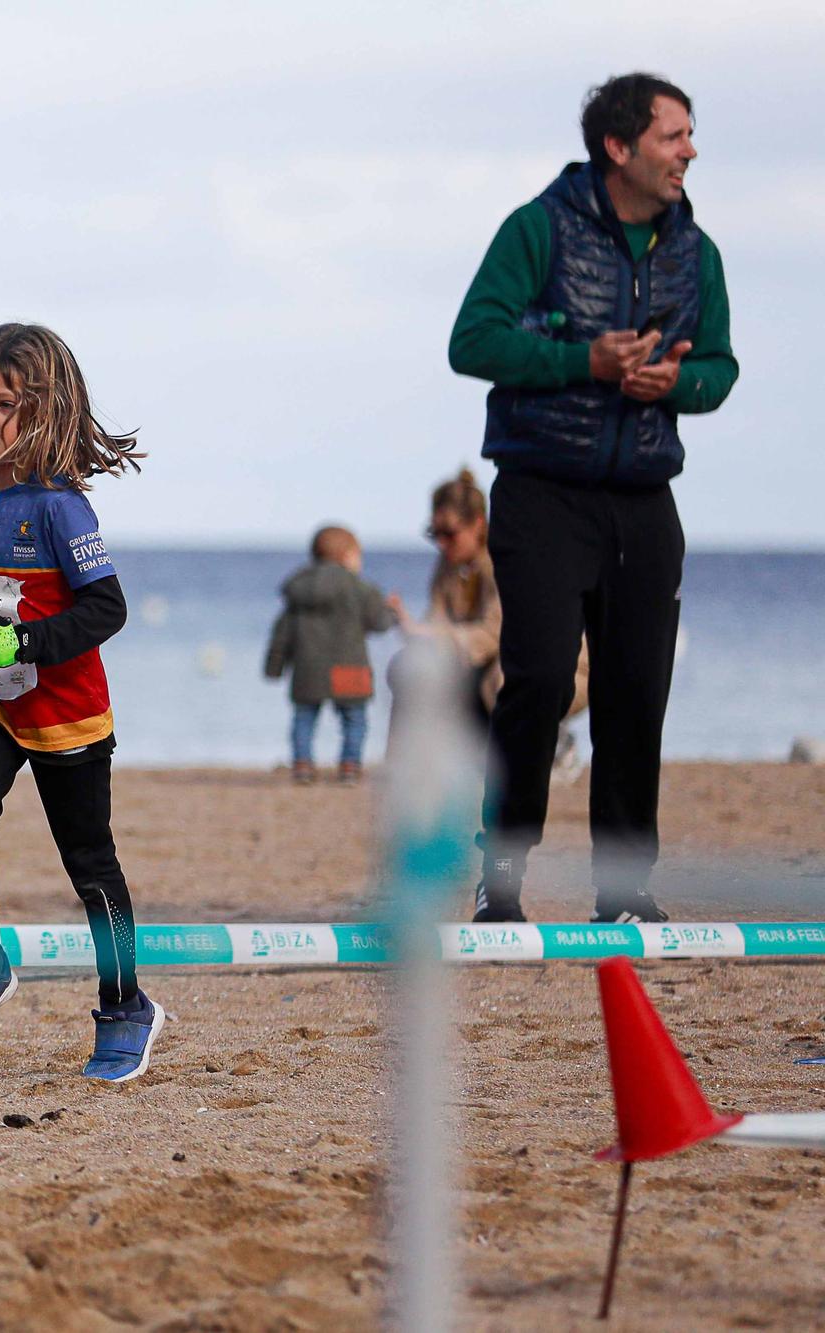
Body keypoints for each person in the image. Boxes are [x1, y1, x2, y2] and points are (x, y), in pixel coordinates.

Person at [449, 73, 738, 924]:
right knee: (536, 677)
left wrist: (675, 381)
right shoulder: (537, 228)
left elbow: (720, 369)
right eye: (673, 135)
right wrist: (587, 361)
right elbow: (473, 341)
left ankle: (623, 887)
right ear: (620, 147)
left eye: (689, 135)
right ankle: (501, 873)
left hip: (646, 498)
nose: (690, 151)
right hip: (542, 490)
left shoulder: (699, 252)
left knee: (636, 689)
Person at [0, 321, 160, 1083]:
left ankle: (127, 1005)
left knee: (89, 863)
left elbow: (107, 610)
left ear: (49, 409)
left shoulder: (62, 509)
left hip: (68, 711)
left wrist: (24, 646)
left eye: (6, 404)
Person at [264, 526, 394, 785]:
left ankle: (302, 765)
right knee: (354, 719)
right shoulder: (359, 588)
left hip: (308, 668)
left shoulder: (299, 590)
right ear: (347, 556)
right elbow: (379, 622)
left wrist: (274, 667)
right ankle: (350, 766)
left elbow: (283, 632)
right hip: (351, 666)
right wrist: (390, 612)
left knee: (304, 718)